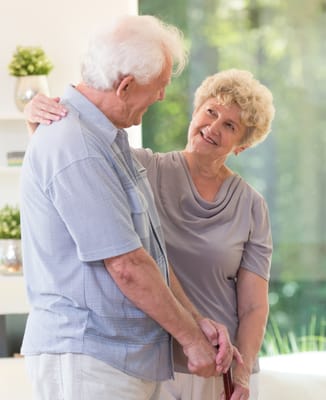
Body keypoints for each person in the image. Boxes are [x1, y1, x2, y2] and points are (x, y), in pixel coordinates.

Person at [20, 15, 238, 400]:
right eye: (159, 87)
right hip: (89, 359)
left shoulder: (110, 144)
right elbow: (127, 266)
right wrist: (191, 341)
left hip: (118, 361)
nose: (162, 98)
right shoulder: (77, 145)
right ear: (125, 86)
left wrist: (196, 320)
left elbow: (146, 257)